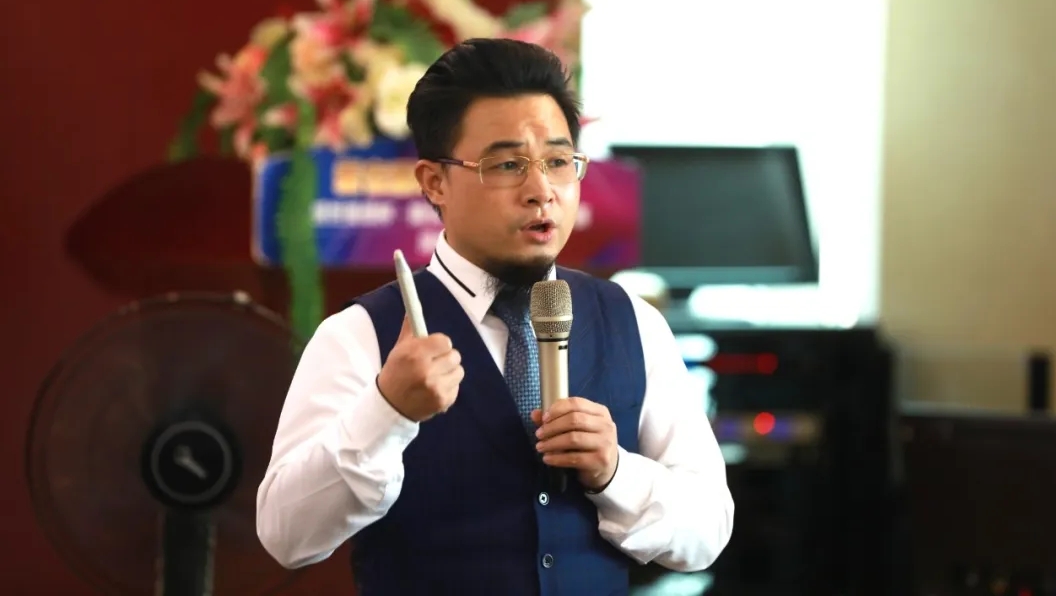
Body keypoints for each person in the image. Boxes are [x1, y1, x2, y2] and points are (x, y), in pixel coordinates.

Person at [256, 38, 734, 595]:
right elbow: (286, 536)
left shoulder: (634, 323)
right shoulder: (359, 336)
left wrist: (615, 472)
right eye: (507, 165)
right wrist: (387, 410)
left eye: (558, 162)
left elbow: (707, 532)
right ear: (434, 182)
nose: (541, 191)